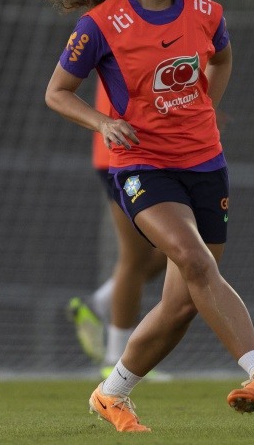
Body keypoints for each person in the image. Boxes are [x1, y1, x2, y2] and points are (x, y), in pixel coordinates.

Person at [35, 0, 254, 432]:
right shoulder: (101, 24)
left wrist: (205, 106)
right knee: (194, 260)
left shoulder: (207, 12)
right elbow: (57, 94)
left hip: (207, 163)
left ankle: (111, 394)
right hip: (142, 166)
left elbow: (221, 58)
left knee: (182, 304)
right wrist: (103, 123)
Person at [65, 79, 168, 379]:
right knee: (136, 257)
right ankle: (117, 360)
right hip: (123, 152)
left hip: (158, 152)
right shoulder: (118, 32)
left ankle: (99, 303)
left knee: (175, 249)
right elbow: (58, 91)